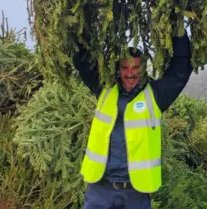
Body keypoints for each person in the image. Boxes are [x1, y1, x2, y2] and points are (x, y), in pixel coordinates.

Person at [73, 31, 193, 209]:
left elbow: (181, 70)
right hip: (100, 189)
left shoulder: (157, 95)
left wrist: (177, 28)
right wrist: (79, 24)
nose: (130, 73)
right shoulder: (104, 89)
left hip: (135, 193)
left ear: (143, 68)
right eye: (124, 67)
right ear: (118, 69)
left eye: (135, 68)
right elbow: (82, 60)